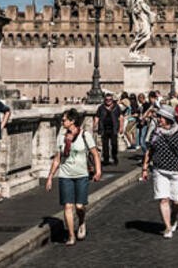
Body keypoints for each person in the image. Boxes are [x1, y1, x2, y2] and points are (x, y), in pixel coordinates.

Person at [45, 108, 102, 246]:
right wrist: (50, 177)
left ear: (72, 121)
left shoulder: (85, 135)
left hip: (81, 174)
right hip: (65, 175)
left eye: (64, 120)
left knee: (79, 206)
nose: (62, 122)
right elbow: (58, 159)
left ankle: (82, 221)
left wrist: (98, 171)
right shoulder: (61, 137)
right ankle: (71, 235)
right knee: (68, 206)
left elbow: (94, 153)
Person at [141, 105, 178, 239]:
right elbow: (149, 151)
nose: (158, 120)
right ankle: (167, 227)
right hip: (160, 170)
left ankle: (173, 217)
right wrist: (145, 168)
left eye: (161, 117)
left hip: (177, 171)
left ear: (168, 118)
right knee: (163, 199)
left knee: (176, 201)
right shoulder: (156, 132)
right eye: (158, 117)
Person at [93, 92, 124, 166]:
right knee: (105, 145)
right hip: (104, 128)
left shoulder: (116, 107)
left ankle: (114, 157)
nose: (108, 101)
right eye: (107, 100)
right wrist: (95, 125)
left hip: (113, 128)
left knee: (114, 144)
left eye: (110, 100)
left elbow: (121, 117)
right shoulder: (101, 107)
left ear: (112, 100)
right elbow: (97, 117)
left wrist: (121, 127)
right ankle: (106, 159)